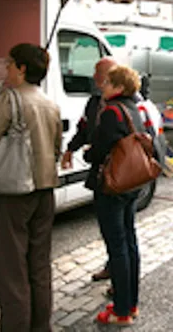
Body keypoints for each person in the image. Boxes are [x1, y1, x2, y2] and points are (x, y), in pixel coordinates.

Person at [0, 43, 62, 332]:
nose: (5, 68)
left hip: (13, 193)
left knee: (11, 268)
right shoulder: (50, 103)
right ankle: (40, 327)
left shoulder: (9, 98)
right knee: (39, 265)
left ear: (22, 69)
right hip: (45, 190)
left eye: (10, 63)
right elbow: (57, 147)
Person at [86, 65, 144, 326]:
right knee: (129, 243)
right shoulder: (134, 108)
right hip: (131, 184)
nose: (103, 85)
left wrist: (88, 153)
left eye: (108, 82)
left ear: (119, 87)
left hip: (112, 186)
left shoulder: (111, 112)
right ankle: (130, 303)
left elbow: (99, 151)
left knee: (117, 247)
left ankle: (121, 311)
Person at [61, 56, 117, 282]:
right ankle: (113, 267)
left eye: (98, 72)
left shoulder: (125, 104)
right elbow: (84, 129)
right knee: (109, 230)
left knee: (120, 233)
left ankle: (121, 282)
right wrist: (70, 149)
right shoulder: (94, 102)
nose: (94, 77)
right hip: (101, 175)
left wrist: (89, 153)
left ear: (109, 76)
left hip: (119, 176)